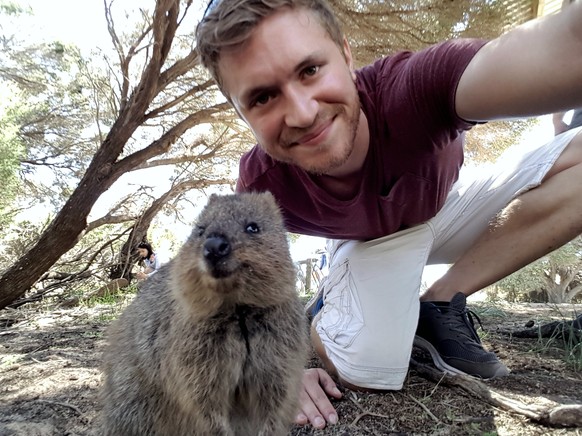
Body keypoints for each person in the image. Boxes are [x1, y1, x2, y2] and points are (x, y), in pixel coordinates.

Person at [196, 0, 582, 429]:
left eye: (310, 70)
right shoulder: (260, 182)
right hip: (362, 243)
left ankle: (442, 298)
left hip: (445, 208)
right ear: (240, 113)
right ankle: (324, 311)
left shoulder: (413, 86)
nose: (304, 114)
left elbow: (566, 43)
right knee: (369, 368)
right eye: (263, 97)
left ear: (345, 55)